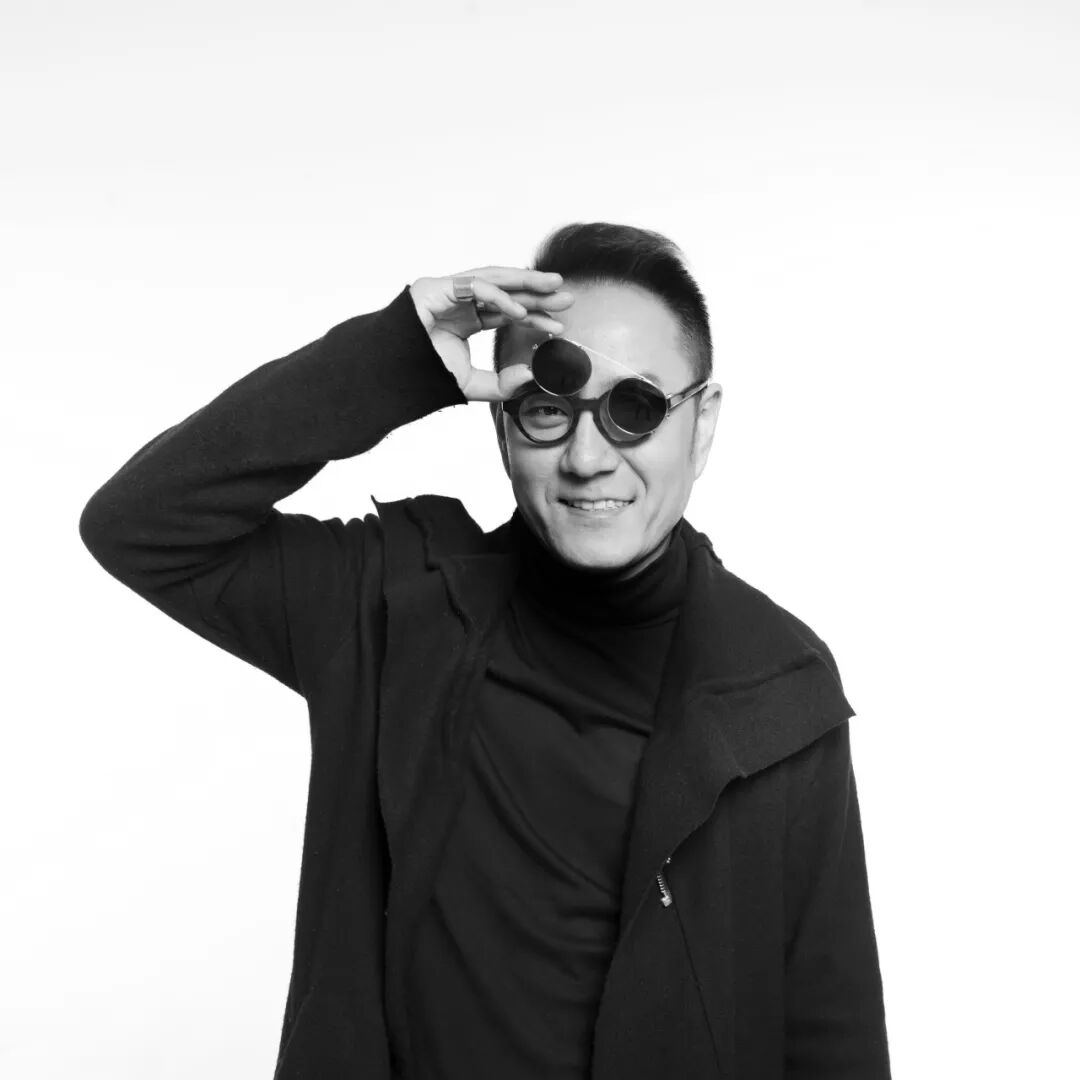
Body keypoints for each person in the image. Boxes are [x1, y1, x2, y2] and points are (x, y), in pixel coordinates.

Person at [79, 221, 891, 1079]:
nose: (587, 457)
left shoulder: (777, 686)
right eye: (546, 408)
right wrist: (394, 357)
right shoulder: (395, 605)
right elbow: (141, 526)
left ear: (702, 425)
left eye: (636, 409)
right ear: (502, 424)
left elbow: (832, 1027)